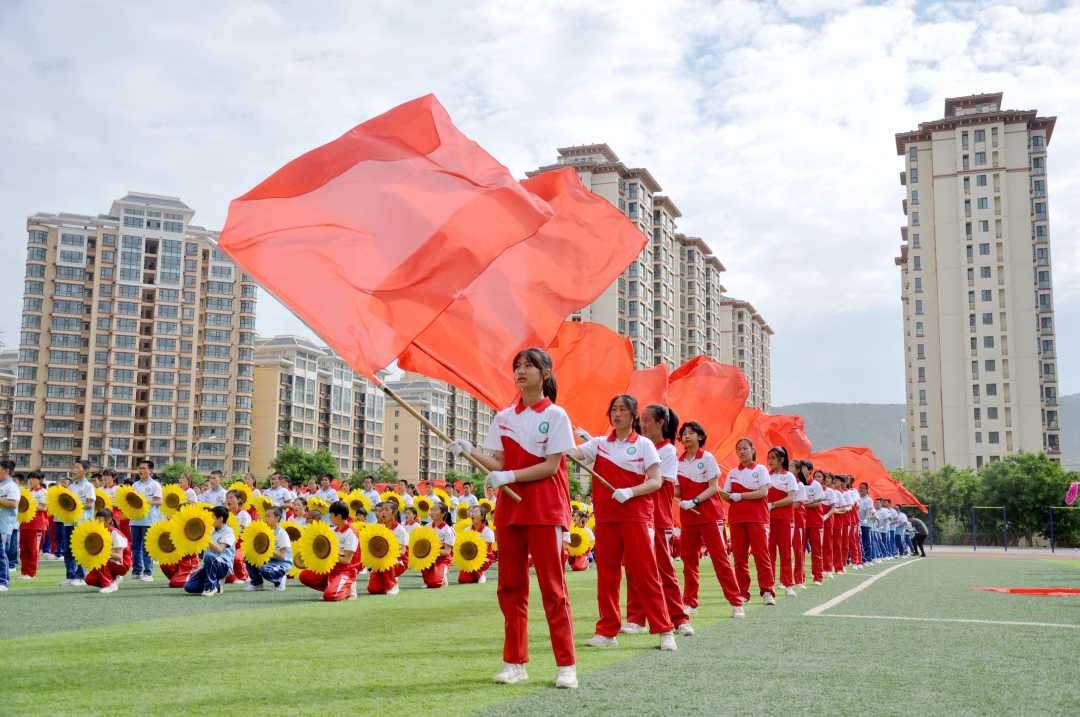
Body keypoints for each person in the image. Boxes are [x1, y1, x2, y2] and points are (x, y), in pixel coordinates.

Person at [448, 347, 577, 689]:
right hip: (511, 509)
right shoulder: (504, 417)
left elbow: (551, 465)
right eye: (517, 366)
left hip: (544, 508)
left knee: (553, 588)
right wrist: (470, 450)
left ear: (544, 373)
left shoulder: (557, 415)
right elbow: (498, 462)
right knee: (510, 587)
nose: (521, 371)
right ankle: (514, 661)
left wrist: (511, 477)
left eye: (529, 366)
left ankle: (566, 664)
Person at [570, 395, 676, 652]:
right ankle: (607, 629)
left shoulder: (643, 445)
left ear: (633, 416)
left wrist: (630, 492)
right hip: (606, 518)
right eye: (614, 409)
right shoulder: (598, 444)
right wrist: (557, 436)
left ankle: (664, 629)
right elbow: (569, 454)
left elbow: (655, 481)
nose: (617, 414)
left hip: (635, 516)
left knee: (645, 574)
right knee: (607, 575)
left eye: (623, 410)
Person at [625, 404, 693, 635]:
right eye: (640, 419)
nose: (641, 424)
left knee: (664, 572)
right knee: (635, 569)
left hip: (658, 517)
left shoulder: (667, 450)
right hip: (636, 517)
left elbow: (655, 483)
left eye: (646, 420)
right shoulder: (638, 446)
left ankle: (679, 618)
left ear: (660, 423)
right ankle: (636, 618)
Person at [673, 420, 745, 619]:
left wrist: (694, 500)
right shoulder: (678, 461)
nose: (686, 436)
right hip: (688, 517)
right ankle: (690, 602)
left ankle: (736, 601)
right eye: (683, 433)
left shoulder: (707, 458)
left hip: (710, 515)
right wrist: (667, 489)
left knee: (720, 559)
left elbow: (713, 487)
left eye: (690, 433)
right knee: (689, 561)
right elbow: (678, 489)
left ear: (700, 437)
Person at [722, 438, 775, 605]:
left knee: (761, 556)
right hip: (737, 519)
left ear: (752, 450)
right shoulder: (732, 473)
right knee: (739, 558)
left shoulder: (760, 470)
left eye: (745, 448)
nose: (742, 452)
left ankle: (767, 591)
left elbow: (763, 492)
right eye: (738, 449)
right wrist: (716, 488)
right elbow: (728, 496)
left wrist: (741, 496)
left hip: (757, 519)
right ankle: (743, 593)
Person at [299, 501, 362, 601]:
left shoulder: (351, 532)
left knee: (330, 596)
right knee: (304, 575)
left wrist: (328, 555)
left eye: (331, 515)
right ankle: (334, 587)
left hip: (346, 571)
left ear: (339, 516)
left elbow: (347, 560)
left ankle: (348, 588)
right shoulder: (333, 530)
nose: (330, 518)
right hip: (330, 569)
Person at [766, 447, 798, 597]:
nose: (770, 461)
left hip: (784, 518)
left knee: (785, 551)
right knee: (769, 552)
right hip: (768, 519)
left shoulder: (789, 476)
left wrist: (773, 505)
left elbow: (791, 498)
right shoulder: (766, 475)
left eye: (773, 458)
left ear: (781, 460)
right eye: (769, 458)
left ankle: (788, 584)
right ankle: (769, 584)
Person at [184, 506, 236, 596]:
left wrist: (205, 539)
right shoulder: (211, 531)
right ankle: (217, 585)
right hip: (209, 565)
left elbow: (220, 550)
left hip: (224, 566)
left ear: (220, 519)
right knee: (189, 587)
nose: (210, 519)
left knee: (209, 556)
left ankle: (210, 588)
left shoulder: (228, 532)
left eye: (212, 517)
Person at [62, 459, 97, 586]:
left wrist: (74, 505)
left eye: (77, 467)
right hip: (69, 521)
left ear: (85, 471)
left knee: (81, 550)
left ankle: (81, 576)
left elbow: (89, 504)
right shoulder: (71, 487)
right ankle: (70, 575)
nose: (74, 470)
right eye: (73, 467)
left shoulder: (88, 486)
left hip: (82, 522)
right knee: (68, 549)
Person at [130, 460, 163, 582]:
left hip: (149, 520)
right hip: (135, 520)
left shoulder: (155, 485)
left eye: (144, 468)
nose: (141, 470)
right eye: (140, 468)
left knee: (146, 547)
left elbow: (159, 501)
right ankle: (136, 571)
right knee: (135, 547)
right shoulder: (135, 485)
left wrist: (144, 501)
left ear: (150, 470)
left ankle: (148, 572)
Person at [245, 506, 292, 591]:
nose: (266, 518)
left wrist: (268, 547)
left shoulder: (281, 533)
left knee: (265, 570)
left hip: (281, 563)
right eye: (265, 516)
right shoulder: (262, 531)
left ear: (277, 518)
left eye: (269, 516)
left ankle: (280, 579)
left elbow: (282, 556)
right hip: (267, 561)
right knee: (248, 557)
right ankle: (257, 583)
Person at [84, 510, 132, 594]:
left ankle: (109, 585)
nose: (98, 522)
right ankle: (113, 579)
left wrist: (101, 552)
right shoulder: (97, 533)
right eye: (97, 519)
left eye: (100, 520)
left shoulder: (114, 533)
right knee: (90, 579)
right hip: (109, 562)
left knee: (101, 560)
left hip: (122, 564)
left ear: (109, 520)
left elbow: (119, 557)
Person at [367, 501, 409, 595]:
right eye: (382, 510)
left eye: (386, 510)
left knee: (386, 561)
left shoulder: (400, 530)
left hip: (399, 561)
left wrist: (387, 552)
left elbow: (403, 551)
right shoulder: (379, 527)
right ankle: (387, 581)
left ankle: (393, 584)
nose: (383, 512)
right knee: (373, 589)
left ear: (394, 513)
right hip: (381, 561)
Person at [18, 471, 48, 580]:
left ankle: (31, 573)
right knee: (24, 548)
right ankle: (24, 572)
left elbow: (43, 507)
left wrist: (29, 505)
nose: (31, 481)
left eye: (33, 479)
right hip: (25, 523)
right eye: (29, 478)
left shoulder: (43, 492)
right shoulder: (27, 492)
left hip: (37, 524)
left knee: (33, 549)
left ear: (39, 480)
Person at [458, 505, 496, 584]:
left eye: (475, 512)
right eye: (472, 512)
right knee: (463, 579)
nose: (472, 514)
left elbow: (484, 550)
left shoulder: (488, 531)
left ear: (482, 517)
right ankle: (476, 575)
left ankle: (481, 574)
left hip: (484, 558)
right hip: (469, 557)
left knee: (474, 569)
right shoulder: (466, 530)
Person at [421, 501, 455, 588]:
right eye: (431, 510)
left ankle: (443, 576)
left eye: (435, 510)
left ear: (443, 513)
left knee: (435, 583)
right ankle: (432, 578)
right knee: (430, 584)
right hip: (429, 559)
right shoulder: (426, 527)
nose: (431, 512)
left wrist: (431, 551)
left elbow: (447, 552)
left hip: (442, 560)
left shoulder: (448, 530)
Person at [225, 490, 251, 584]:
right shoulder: (226, 515)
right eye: (227, 498)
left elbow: (246, 533)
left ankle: (245, 576)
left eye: (231, 497)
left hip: (241, 544)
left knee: (236, 558)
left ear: (239, 500)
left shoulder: (244, 515)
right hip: (228, 544)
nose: (228, 500)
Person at [0, 460, 18, 592]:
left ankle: (3, 581)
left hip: (4, 525)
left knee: (1, 553)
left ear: (6, 470)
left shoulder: (12, 486)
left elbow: (13, 504)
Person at [791, 461, 808, 589]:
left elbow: (797, 504)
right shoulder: (785, 482)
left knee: (798, 550)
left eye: (791, 466)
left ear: (797, 470)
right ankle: (785, 579)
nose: (788, 467)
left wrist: (778, 506)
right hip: (787, 520)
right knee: (786, 551)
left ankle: (799, 578)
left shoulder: (800, 485)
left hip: (797, 521)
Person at [857, 482, 876, 563]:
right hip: (856, 523)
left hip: (865, 524)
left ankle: (868, 558)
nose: (861, 489)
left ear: (867, 490)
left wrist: (866, 518)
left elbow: (869, 511)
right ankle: (860, 557)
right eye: (860, 487)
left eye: (863, 488)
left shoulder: (868, 499)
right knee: (858, 541)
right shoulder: (857, 498)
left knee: (866, 541)